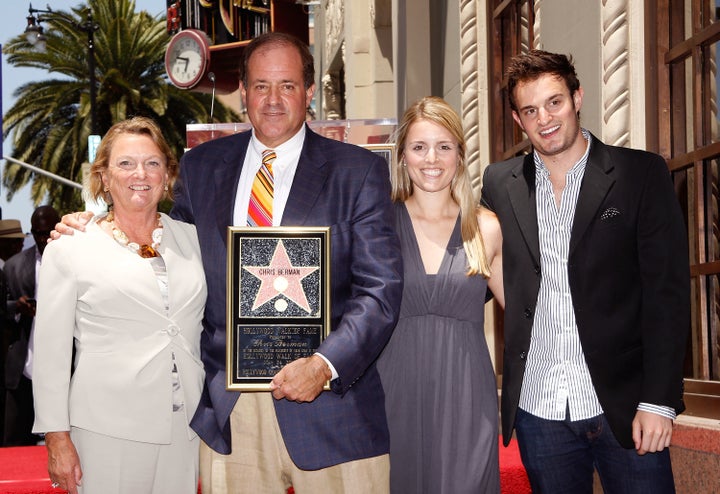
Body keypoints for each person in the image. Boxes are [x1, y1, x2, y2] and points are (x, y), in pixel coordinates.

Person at [57, 32, 403, 493]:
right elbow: (158, 244)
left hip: (331, 410)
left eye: (287, 85)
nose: (274, 100)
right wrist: (97, 225)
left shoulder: (357, 171)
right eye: (261, 86)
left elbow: (380, 291)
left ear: (309, 91)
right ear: (243, 92)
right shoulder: (201, 168)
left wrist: (322, 365)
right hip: (231, 415)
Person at [481, 49, 690, 493]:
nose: (545, 119)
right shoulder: (500, 184)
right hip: (540, 411)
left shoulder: (640, 173)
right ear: (519, 121)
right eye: (530, 110)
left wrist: (659, 401)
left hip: (627, 408)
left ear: (577, 98)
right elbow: (475, 262)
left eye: (554, 102)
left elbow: (666, 296)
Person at [32, 117, 207, 494]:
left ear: (167, 175)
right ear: (104, 177)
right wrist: (56, 438)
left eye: (152, 163)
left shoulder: (195, 240)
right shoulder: (70, 247)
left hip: (186, 429)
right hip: (105, 431)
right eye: (125, 163)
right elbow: (51, 355)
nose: (140, 174)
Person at [376, 96, 504, 493]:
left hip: (467, 397)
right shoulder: (378, 224)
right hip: (391, 393)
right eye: (419, 147)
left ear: (460, 156)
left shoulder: (486, 228)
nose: (431, 159)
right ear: (402, 157)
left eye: (444, 146)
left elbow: (528, 314)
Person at [3, 206, 59, 446]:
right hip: (23, 367)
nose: (43, 239)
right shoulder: (14, 266)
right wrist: (18, 307)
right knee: (15, 443)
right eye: (37, 233)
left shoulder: (80, 261)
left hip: (66, 369)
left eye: (48, 232)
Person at [0, 218, 26, 445]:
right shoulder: (6, 270)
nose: (17, 247)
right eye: (13, 242)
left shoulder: (11, 268)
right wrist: (15, 307)